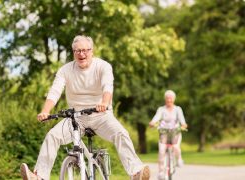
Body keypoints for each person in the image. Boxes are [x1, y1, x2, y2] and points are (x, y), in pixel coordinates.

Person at [20, 35, 150, 180]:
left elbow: (108, 86)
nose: (81, 54)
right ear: (73, 52)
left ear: (91, 51)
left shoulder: (103, 66)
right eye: (77, 51)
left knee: (121, 133)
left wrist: (104, 103)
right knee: (52, 136)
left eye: (85, 50)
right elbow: (55, 91)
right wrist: (45, 111)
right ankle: (40, 177)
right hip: (76, 118)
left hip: (101, 116)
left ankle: (135, 172)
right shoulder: (65, 70)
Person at [149, 90, 188, 180]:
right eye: (167, 98)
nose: (169, 100)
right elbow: (156, 118)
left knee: (175, 147)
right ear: (165, 99)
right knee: (161, 151)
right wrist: (152, 122)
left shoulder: (178, 109)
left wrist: (183, 125)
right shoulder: (161, 109)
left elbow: (182, 121)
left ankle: (179, 159)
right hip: (164, 133)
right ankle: (161, 172)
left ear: (174, 99)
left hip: (175, 132)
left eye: (170, 98)